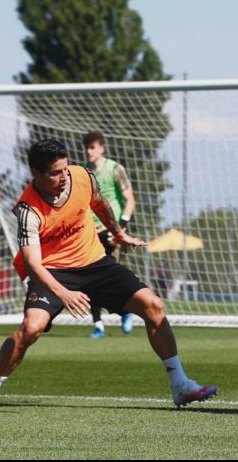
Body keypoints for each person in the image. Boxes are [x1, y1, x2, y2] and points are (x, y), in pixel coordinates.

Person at [0, 139, 216, 414]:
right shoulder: (28, 209)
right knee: (30, 329)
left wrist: (118, 232)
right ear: (36, 174)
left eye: (65, 169)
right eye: (55, 173)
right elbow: (33, 264)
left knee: (153, 305)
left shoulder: (82, 175)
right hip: (52, 270)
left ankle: (180, 385)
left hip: (94, 261)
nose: (64, 177)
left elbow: (100, 203)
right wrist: (63, 293)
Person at [82, 131, 137, 338]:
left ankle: (125, 312)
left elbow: (130, 199)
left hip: (111, 230)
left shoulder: (115, 169)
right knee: (89, 277)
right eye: (86, 147)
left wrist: (121, 227)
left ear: (102, 148)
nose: (89, 151)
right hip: (90, 232)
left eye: (93, 147)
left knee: (111, 276)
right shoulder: (83, 172)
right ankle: (98, 325)